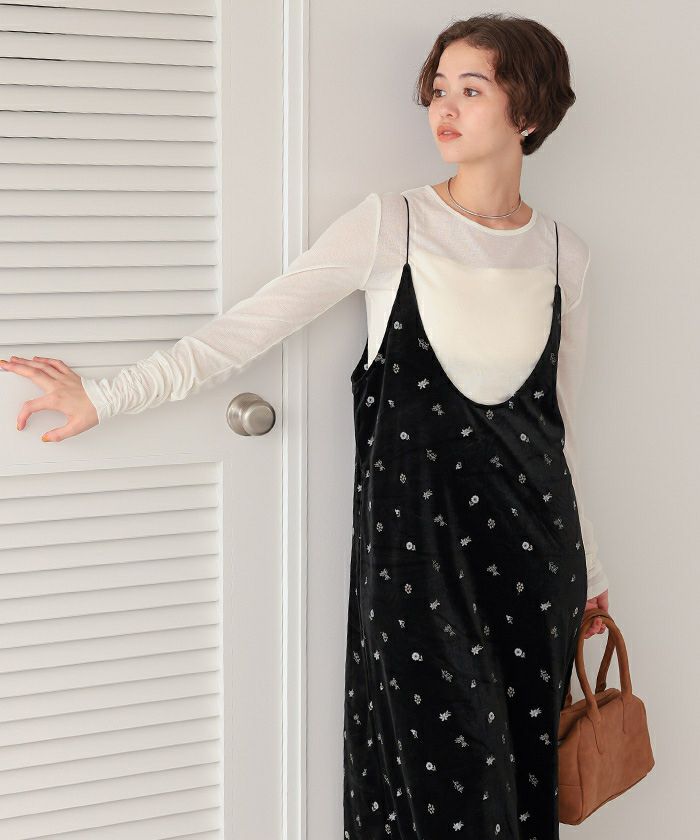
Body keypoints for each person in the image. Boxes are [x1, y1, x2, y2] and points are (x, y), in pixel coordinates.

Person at [0, 13, 609, 838]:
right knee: (442, 789)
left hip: (537, 557)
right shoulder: (392, 225)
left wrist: (593, 571)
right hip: (417, 564)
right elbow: (241, 333)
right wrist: (105, 397)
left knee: (521, 787)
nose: (444, 108)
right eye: (439, 89)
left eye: (472, 90)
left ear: (527, 111)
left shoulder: (565, 253)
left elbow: (556, 424)